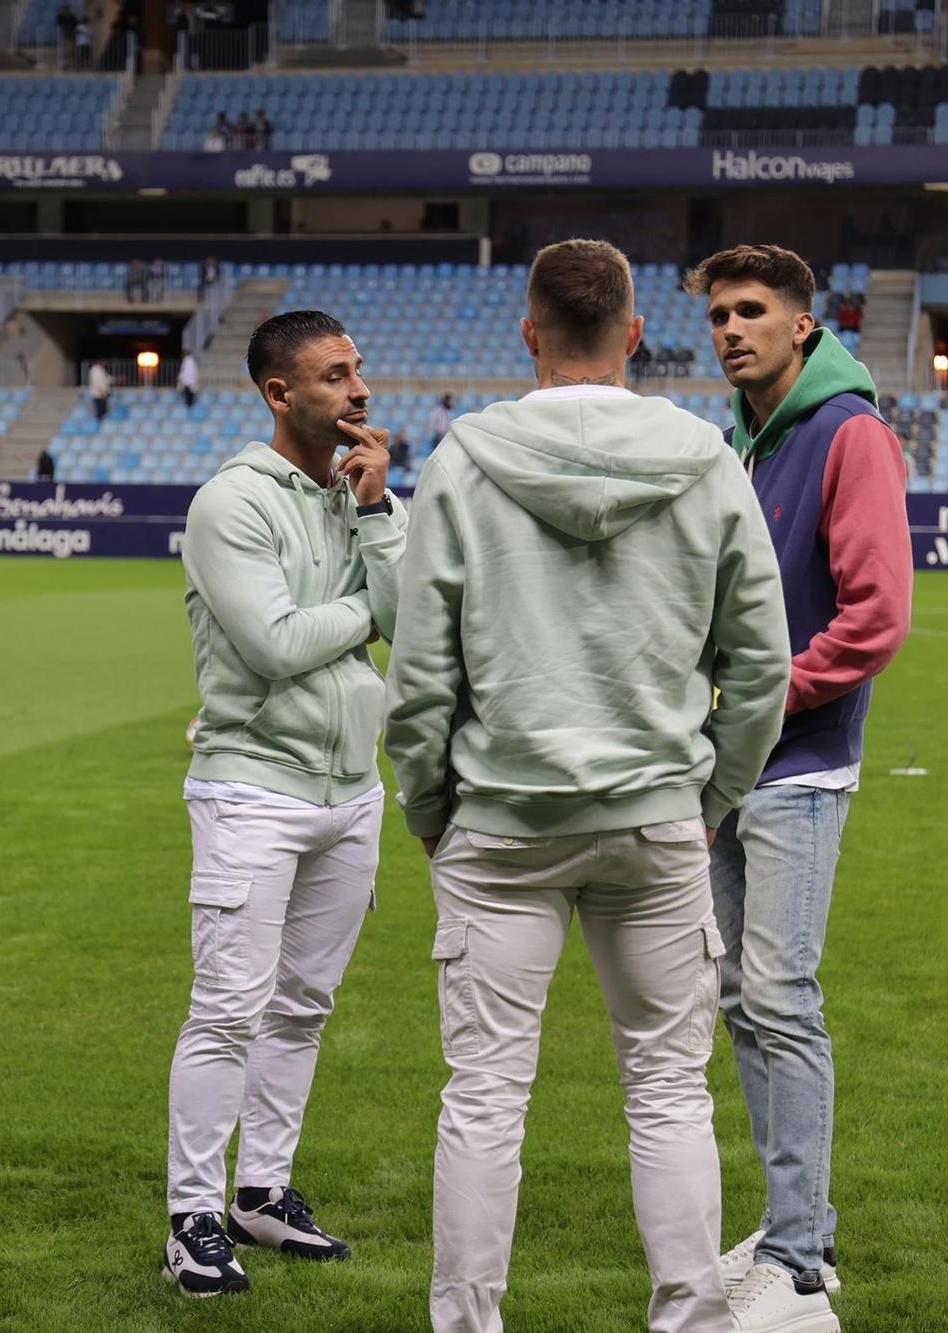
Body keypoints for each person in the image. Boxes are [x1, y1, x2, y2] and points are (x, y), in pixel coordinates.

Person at [385, 238, 792, 1333]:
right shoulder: (707, 459)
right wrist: (707, 802)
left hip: (501, 824)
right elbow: (761, 667)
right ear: (635, 334)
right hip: (654, 821)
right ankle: (689, 1319)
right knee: (667, 1092)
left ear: (529, 333)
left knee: (484, 1096)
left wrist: (428, 809)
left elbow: (419, 675)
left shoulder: (464, 460)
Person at [684, 243, 913, 1333]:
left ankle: (801, 1263)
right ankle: (791, 1224)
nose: (730, 329)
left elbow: (876, 616)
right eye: (718, 314)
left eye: (750, 310)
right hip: (729, 762)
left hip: (799, 761)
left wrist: (764, 697)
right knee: (742, 1000)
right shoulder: (739, 437)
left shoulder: (847, 432)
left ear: (802, 325)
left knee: (780, 997)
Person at [165, 310, 405, 1299]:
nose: (358, 389)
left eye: (358, 369)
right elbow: (272, 645)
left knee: (303, 1007)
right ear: (279, 393)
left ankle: (261, 1192)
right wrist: (364, 616)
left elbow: (413, 618)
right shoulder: (230, 501)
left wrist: (380, 514)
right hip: (252, 789)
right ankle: (191, 1217)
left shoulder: (361, 493)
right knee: (227, 1010)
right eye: (334, 374)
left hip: (351, 790)